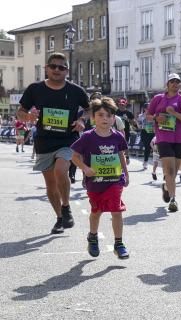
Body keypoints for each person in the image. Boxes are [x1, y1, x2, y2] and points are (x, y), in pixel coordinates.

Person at [17, 52, 90, 234]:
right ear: (46, 69)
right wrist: (27, 116)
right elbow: (20, 111)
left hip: (68, 140)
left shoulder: (76, 91)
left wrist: (82, 120)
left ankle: (66, 206)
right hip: (44, 141)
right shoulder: (35, 89)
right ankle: (59, 217)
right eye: (53, 66)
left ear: (67, 71)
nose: (57, 70)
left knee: (60, 170)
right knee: (50, 185)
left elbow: (90, 109)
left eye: (61, 67)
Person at [70, 97, 130, 259]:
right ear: (93, 117)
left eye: (109, 115)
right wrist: (85, 168)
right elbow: (74, 156)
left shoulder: (118, 136)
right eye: (101, 115)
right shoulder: (88, 137)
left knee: (116, 210)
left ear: (114, 118)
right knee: (96, 211)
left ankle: (119, 243)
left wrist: (126, 173)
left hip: (114, 180)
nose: (105, 118)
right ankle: (93, 237)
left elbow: (120, 154)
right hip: (95, 182)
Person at [146, 73, 181, 212]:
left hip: (180, 138)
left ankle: (167, 187)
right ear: (167, 84)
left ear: (180, 84)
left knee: (173, 173)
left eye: (177, 82)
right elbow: (148, 116)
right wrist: (156, 118)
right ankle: (173, 200)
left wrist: (174, 113)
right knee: (170, 170)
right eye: (172, 81)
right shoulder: (158, 99)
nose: (174, 84)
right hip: (163, 138)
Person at [137, 105, 155, 169]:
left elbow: (156, 123)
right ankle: (146, 161)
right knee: (147, 146)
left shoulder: (154, 114)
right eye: (147, 108)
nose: (149, 109)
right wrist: (141, 125)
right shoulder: (140, 116)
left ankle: (146, 161)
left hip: (152, 132)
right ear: (144, 108)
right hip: (144, 132)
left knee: (149, 147)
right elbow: (138, 124)